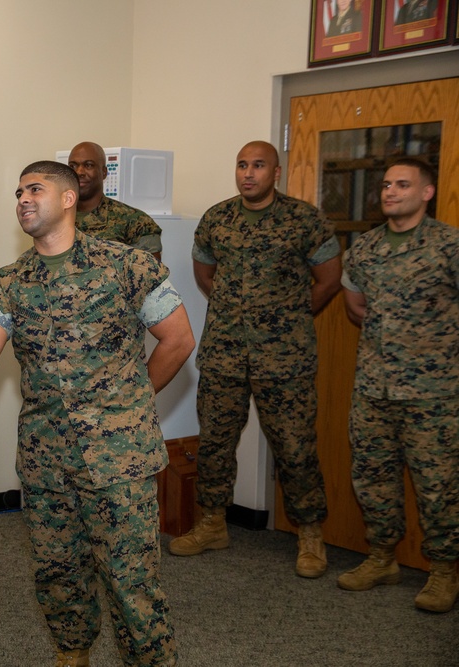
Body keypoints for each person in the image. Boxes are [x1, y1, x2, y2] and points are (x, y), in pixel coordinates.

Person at [0, 160, 194, 666]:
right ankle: (71, 655)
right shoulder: (5, 283)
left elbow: (178, 340)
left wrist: (132, 398)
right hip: (46, 457)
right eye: (18, 192)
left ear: (69, 198)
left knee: (130, 580)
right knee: (58, 572)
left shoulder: (127, 266)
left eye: (35, 189)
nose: (23, 199)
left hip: (119, 460)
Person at [170, 141, 342, 579]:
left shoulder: (304, 219)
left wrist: (289, 316)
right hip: (225, 352)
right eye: (242, 165)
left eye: (258, 165)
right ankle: (211, 524)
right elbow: (204, 274)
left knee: (294, 445)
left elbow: (329, 278)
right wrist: (235, 310)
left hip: (284, 357)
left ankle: (309, 533)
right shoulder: (217, 218)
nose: (248, 173)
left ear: (276, 172)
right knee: (214, 443)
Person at [337, 158, 458, 613]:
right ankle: (382, 557)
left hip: (435, 393)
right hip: (373, 388)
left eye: (402, 185)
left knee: (439, 484)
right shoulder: (365, 248)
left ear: (426, 193)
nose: (390, 191)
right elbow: (355, 305)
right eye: (386, 184)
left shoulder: (449, 245)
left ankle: (444, 570)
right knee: (372, 477)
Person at [67, 141, 162, 259]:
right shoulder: (54, 217)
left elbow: (150, 274)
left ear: (104, 172)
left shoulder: (135, 221)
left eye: (89, 165)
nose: (79, 172)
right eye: (73, 166)